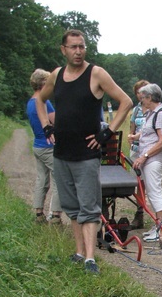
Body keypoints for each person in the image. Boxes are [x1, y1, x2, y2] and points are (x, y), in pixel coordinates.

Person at [35, 29, 133, 274]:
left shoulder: (96, 73)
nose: (78, 52)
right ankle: (79, 253)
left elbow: (126, 102)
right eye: (73, 47)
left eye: (82, 47)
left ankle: (90, 259)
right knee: (71, 206)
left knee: (89, 208)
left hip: (87, 154)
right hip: (61, 153)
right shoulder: (56, 75)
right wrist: (46, 126)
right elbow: (39, 99)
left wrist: (107, 133)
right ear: (63, 50)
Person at [131, 83, 162, 243]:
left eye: (143, 98)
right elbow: (149, 133)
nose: (141, 101)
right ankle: (158, 225)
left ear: (150, 97)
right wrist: (136, 137)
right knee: (153, 193)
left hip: (153, 160)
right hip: (148, 160)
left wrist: (144, 156)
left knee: (155, 194)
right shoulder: (151, 114)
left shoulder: (161, 114)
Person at [27, 68, 62, 225]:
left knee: (42, 179)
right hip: (48, 146)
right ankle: (55, 215)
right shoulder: (44, 102)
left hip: (37, 145)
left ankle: (39, 213)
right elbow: (56, 122)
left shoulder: (30, 102)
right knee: (58, 178)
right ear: (43, 84)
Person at [128, 79, 150, 229]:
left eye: (144, 91)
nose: (141, 94)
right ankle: (139, 213)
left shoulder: (154, 109)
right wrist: (131, 141)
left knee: (155, 184)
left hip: (150, 151)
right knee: (138, 184)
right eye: (138, 92)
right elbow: (131, 128)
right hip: (136, 151)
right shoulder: (136, 110)